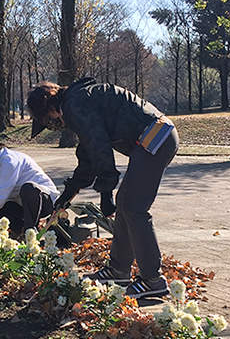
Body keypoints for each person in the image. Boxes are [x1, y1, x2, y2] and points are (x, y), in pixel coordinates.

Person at [27, 78, 179, 300]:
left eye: (48, 119)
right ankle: (118, 271)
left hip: (156, 137)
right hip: (154, 137)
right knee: (127, 203)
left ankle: (152, 281)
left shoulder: (74, 105)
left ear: (51, 108)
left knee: (133, 207)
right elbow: (89, 156)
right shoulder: (78, 99)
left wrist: (106, 194)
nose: (53, 123)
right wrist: (68, 194)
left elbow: (100, 148)